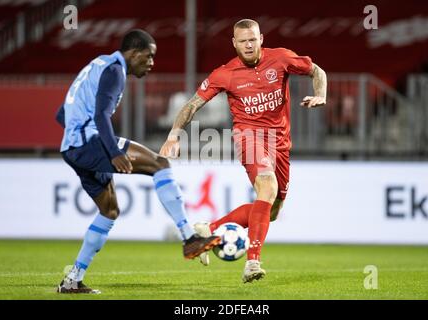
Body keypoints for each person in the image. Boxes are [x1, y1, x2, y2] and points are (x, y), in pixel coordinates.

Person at [160, 19, 327, 283]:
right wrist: (173, 135)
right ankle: (252, 262)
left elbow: (317, 71)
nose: (248, 45)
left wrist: (321, 95)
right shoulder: (224, 73)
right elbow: (192, 105)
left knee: (272, 210)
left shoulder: (282, 58)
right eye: (243, 41)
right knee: (267, 186)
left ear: (261, 39)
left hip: (280, 142)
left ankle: (208, 230)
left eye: (252, 39)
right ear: (234, 44)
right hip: (248, 137)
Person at [55, 29, 220, 294]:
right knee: (160, 164)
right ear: (133, 53)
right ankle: (189, 237)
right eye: (149, 56)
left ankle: (72, 280)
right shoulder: (114, 72)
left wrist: (77, 139)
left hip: (72, 148)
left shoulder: (98, 64)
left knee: (109, 211)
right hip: (90, 142)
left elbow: (62, 113)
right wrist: (113, 152)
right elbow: (100, 116)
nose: (152, 63)